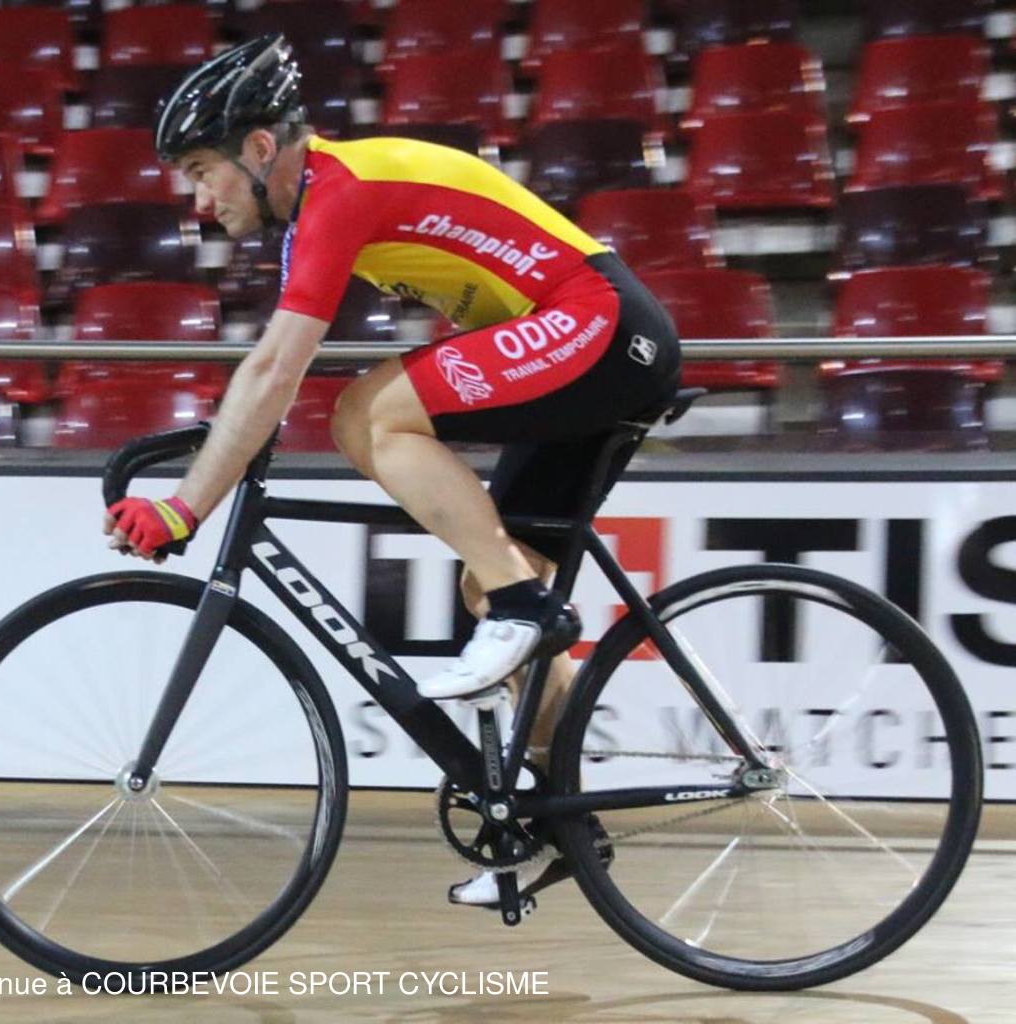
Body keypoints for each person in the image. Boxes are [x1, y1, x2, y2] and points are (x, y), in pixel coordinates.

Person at [104, 35, 681, 907]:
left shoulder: (338, 189)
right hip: (590, 333)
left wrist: (185, 508)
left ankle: (525, 611)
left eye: (200, 171)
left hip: (596, 322)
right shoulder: (323, 201)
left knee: (365, 415)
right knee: (492, 582)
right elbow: (269, 375)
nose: (197, 199)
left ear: (258, 148)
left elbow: (274, 369)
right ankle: (561, 819)